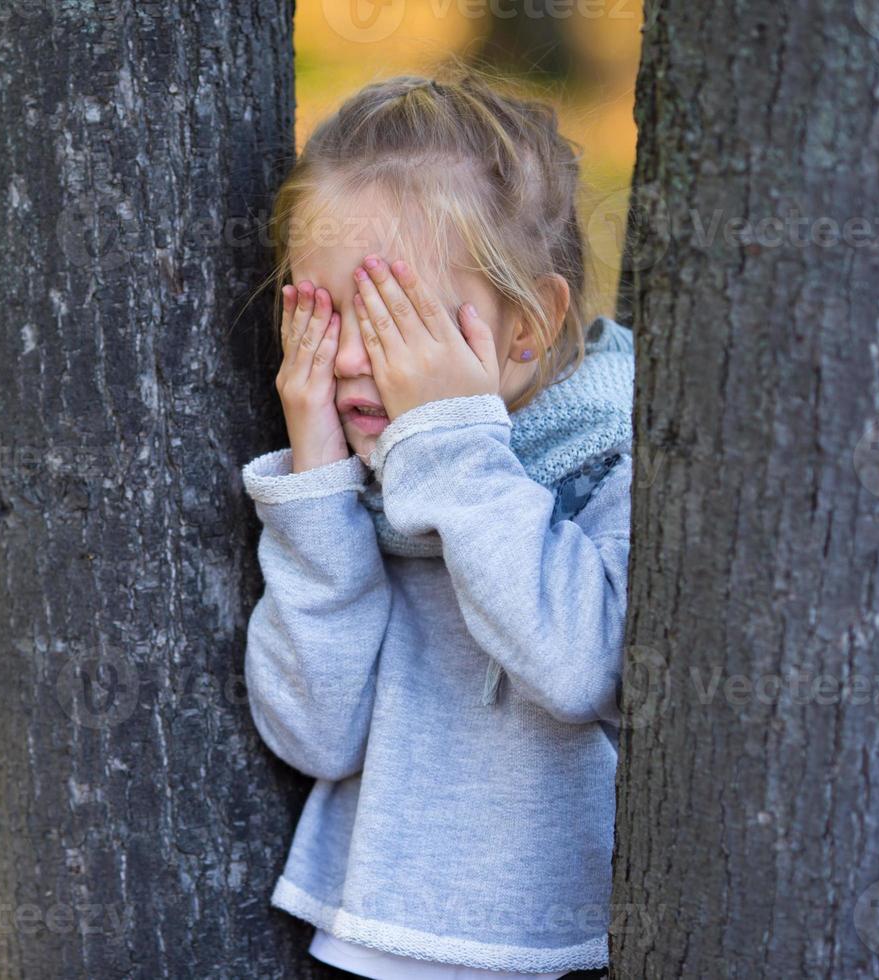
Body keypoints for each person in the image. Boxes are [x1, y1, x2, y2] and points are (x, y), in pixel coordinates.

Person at [241, 72, 633, 980]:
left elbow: (583, 668)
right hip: (367, 941)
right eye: (320, 313)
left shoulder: (616, 458)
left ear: (529, 326)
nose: (341, 358)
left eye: (391, 318)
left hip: (562, 952)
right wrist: (318, 489)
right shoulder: (356, 485)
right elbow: (314, 733)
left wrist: (450, 450)